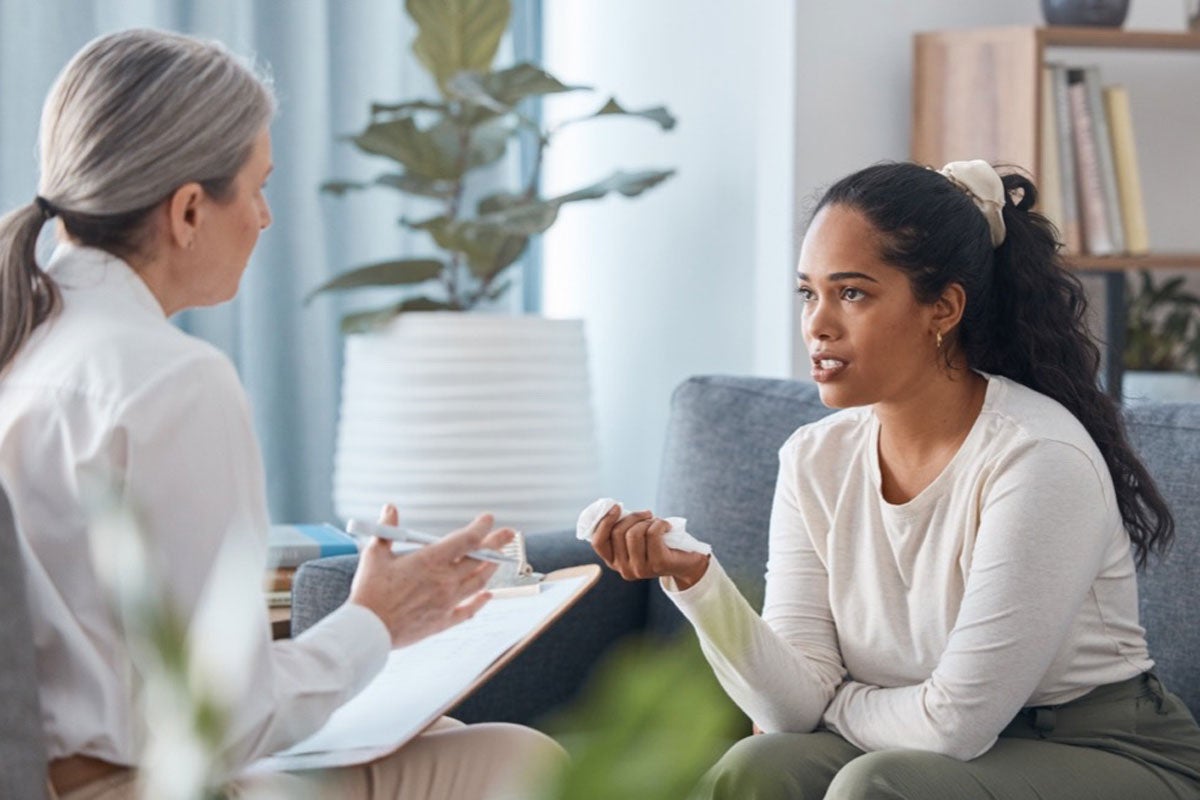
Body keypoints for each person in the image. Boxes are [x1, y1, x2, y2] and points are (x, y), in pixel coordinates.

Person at [0, 29, 561, 800]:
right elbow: (225, 720)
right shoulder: (171, 381)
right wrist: (377, 620)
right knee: (519, 762)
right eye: (258, 187)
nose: (265, 218)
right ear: (190, 210)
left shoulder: (26, 346)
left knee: (450, 742)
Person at [588, 160, 1200, 799]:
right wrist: (696, 580)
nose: (818, 323)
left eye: (852, 293)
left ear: (944, 307)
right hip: (918, 743)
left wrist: (839, 705)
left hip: (1103, 753)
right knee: (757, 767)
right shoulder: (813, 458)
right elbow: (789, 714)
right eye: (808, 292)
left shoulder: (1036, 457)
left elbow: (956, 724)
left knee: (876, 786)